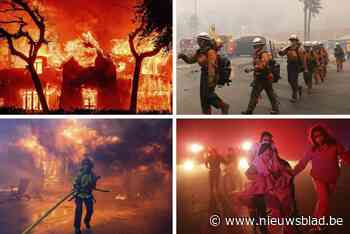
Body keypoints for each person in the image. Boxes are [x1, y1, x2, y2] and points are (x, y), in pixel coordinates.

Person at [293, 124, 350, 232]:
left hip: (332, 178)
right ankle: (317, 227)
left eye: (320, 135)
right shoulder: (312, 149)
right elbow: (302, 163)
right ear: (313, 138)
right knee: (324, 201)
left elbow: (346, 156)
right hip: (318, 178)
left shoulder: (335, 145)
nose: (318, 138)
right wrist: (292, 174)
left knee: (322, 202)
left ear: (325, 135)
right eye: (315, 136)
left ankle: (315, 223)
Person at [237, 132, 295, 234]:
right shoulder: (257, 150)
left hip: (271, 186)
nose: (266, 141)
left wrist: (285, 170)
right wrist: (260, 176)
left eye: (268, 140)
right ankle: (261, 226)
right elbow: (250, 167)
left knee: (282, 203)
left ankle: (284, 225)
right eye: (264, 139)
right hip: (259, 183)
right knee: (259, 205)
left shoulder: (272, 150)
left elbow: (278, 161)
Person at [178, 32, 229, 114]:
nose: (198, 42)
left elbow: (212, 67)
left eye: (200, 40)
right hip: (204, 75)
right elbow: (190, 61)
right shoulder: (200, 52)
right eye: (198, 40)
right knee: (203, 97)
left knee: (208, 95)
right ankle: (206, 114)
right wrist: (183, 56)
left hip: (211, 74)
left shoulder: (210, 52)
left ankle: (223, 105)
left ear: (205, 41)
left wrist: (211, 80)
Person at [242, 37, 279, 114]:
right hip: (260, 77)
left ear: (261, 46)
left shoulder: (264, 54)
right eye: (254, 46)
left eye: (257, 46)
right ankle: (250, 111)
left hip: (264, 77)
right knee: (262, 94)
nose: (255, 47)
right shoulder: (257, 53)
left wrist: (251, 69)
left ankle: (250, 111)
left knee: (265, 94)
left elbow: (263, 65)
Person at [73, 158, 98, 234]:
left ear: (90, 166)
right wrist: (78, 187)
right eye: (84, 164)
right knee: (79, 211)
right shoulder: (80, 174)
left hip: (88, 195)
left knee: (90, 210)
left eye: (87, 165)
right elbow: (75, 183)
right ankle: (77, 228)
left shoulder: (93, 175)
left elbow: (93, 186)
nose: (86, 166)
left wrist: (92, 184)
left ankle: (86, 221)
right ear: (82, 165)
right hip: (79, 195)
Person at [279, 34, 305, 103]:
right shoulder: (288, 48)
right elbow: (282, 53)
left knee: (294, 80)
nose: (292, 42)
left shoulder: (299, 49)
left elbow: (303, 59)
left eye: (294, 40)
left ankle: (294, 96)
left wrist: (305, 68)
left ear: (296, 41)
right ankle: (298, 87)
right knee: (290, 80)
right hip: (290, 66)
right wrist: (281, 51)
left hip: (296, 66)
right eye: (291, 40)